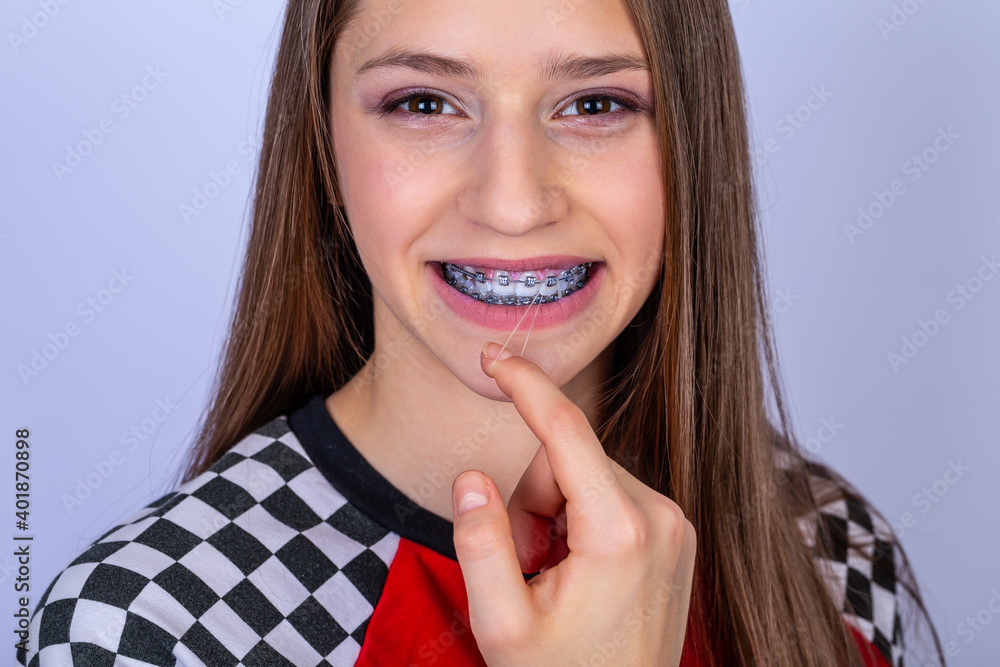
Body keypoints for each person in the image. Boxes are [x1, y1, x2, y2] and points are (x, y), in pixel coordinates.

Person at [19, 0, 946, 665]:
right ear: (322, 140)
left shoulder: (829, 551)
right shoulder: (149, 627)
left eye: (596, 105)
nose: (511, 203)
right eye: (424, 102)